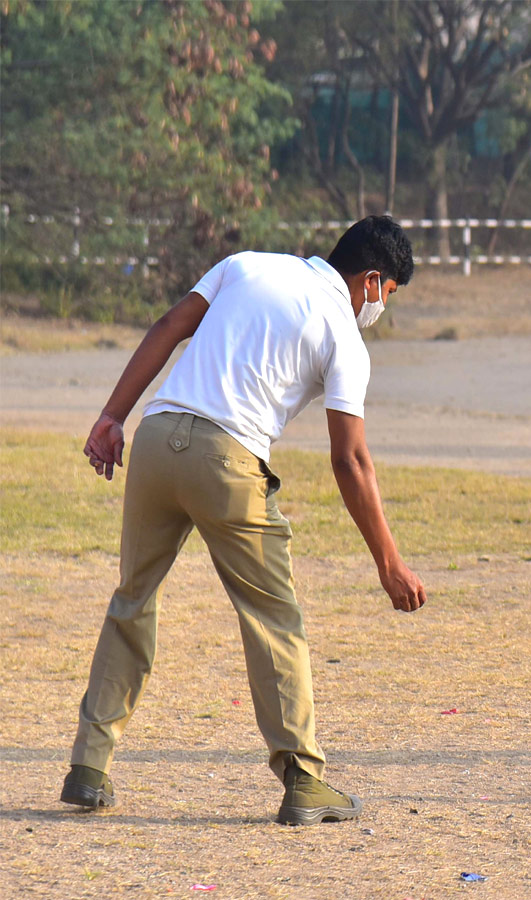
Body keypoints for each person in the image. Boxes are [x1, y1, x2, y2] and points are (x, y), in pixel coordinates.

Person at [60, 215, 427, 826]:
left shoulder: (248, 264)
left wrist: (111, 416)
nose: (380, 307)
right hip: (228, 461)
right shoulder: (343, 331)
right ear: (370, 280)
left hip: (155, 438)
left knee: (132, 598)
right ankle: (304, 779)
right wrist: (388, 560)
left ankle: (89, 766)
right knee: (272, 617)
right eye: (387, 294)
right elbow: (350, 458)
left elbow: (170, 327)